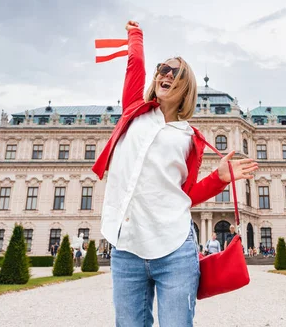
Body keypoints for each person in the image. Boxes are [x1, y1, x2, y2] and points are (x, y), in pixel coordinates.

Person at [92, 20, 258, 327]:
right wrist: (136, 37)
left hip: (173, 250)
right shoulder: (133, 111)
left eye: (174, 73)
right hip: (126, 248)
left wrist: (220, 177)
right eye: (162, 69)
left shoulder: (191, 139)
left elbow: (187, 195)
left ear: (185, 87)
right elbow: (134, 68)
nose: (164, 75)